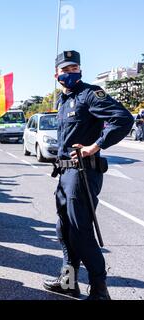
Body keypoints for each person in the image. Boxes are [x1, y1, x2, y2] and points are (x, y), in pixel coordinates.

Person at [43, 51, 134, 300]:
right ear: (57, 74)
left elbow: (123, 119)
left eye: (75, 68)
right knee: (64, 229)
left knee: (80, 231)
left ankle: (100, 289)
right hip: (64, 174)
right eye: (66, 69)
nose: (71, 73)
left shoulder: (90, 94)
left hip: (82, 173)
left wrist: (96, 145)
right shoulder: (63, 100)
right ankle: (69, 282)